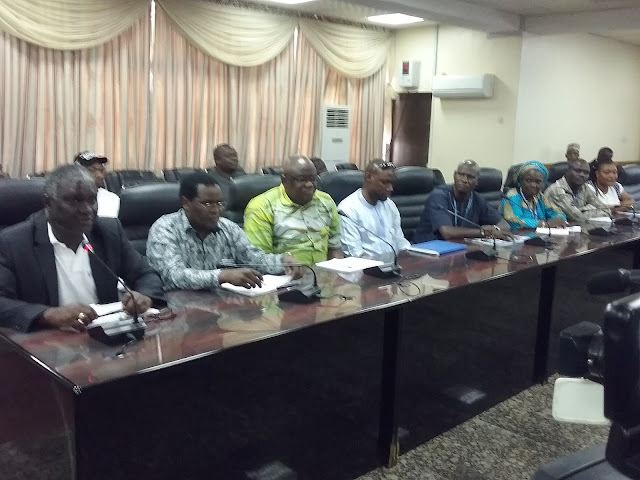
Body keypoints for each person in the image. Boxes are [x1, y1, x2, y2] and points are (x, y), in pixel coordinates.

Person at [0, 165, 164, 333]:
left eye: (92, 200)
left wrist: (144, 296)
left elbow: (145, 273)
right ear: (48, 202)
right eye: (75, 201)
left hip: (103, 337)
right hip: (47, 339)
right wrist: (47, 314)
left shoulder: (108, 232)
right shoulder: (14, 242)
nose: (87, 209)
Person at [147, 172, 302, 291]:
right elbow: (174, 276)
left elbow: (253, 257)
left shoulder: (228, 227)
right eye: (207, 204)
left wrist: (282, 261)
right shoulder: (164, 229)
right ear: (186, 203)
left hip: (222, 304)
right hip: (179, 308)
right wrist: (222, 275)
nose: (216, 210)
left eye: (220, 203)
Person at [244, 155, 342, 264]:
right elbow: (259, 259)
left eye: (313, 179)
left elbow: (334, 247)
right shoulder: (261, 206)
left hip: (324, 272)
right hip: (285, 273)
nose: (309, 184)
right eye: (301, 179)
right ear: (284, 180)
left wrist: (340, 270)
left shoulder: (326, 201)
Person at [414, 160, 512, 243]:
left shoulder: (477, 199)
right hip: (429, 247)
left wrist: (495, 230)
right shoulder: (439, 195)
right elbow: (447, 233)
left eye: (470, 177)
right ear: (454, 175)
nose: (464, 180)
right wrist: (483, 232)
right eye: (461, 175)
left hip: (459, 246)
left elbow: (504, 225)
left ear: (477, 181)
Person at [337, 159, 410, 258]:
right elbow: (354, 254)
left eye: (392, 183)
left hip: (394, 263)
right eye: (385, 182)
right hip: (367, 266)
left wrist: (411, 255)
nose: (390, 188)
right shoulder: (348, 209)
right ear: (368, 177)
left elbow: (399, 240)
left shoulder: (390, 205)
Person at [501, 161, 567, 229]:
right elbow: (515, 222)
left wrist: (559, 220)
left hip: (539, 233)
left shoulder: (540, 197)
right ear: (520, 181)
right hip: (517, 234)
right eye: (528, 180)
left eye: (538, 182)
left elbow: (557, 212)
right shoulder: (512, 197)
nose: (533, 185)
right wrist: (545, 224)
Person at [544, 158, 608, 221]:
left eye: (586, 172)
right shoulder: (557, 190)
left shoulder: (584, 187)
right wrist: (589, 208)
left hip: (579, 225)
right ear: (567, 171)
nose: (582, 175)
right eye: (578, 171)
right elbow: (577, 217)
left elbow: (606, 209)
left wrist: (583, 210)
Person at [74, 151, 120, 218]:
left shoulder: (113, 198)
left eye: (101, 170)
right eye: (91, 170)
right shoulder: (69, 200)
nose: (99, 175)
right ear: (77, 172)